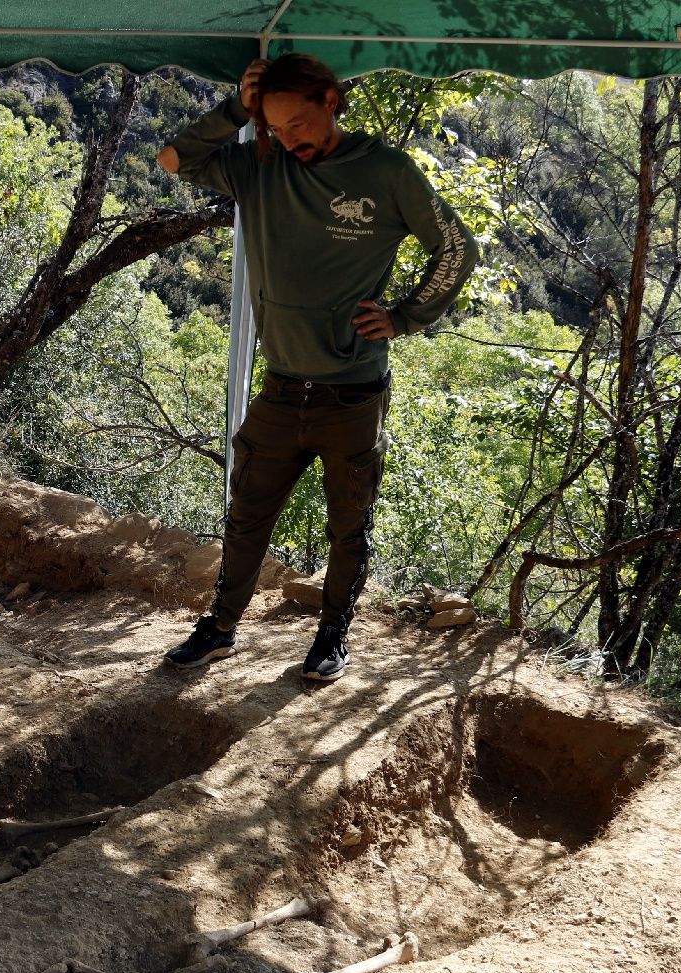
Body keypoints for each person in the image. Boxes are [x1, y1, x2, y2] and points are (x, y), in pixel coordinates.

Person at [158, 54, 478, 681]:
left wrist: (407, 316)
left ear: (332, 100)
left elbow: (458, 247)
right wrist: (236, 111)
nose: (288, 138)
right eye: (275, 127)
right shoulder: (263, 165)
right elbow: (174, 161)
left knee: (348, 524)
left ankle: (332, 636)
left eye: (298, 123)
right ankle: (220, 630)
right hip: (280, 389)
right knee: (246, 515)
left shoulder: (384, 170)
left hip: (352, 394)